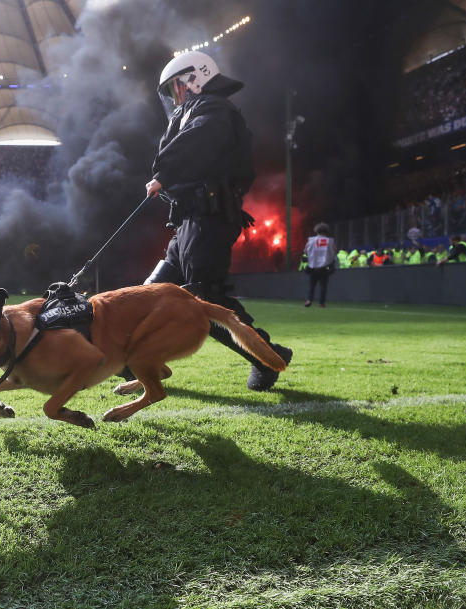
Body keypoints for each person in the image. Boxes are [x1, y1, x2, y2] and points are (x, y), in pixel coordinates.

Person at [141, 50, 292, 391]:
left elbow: (198, 140)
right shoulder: (204, 110)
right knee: (148, 295)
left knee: (204, 299)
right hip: (192, 221)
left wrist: (165, 172)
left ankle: (267, 358)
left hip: (208, 218)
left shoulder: (214, 110)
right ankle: (134, 360)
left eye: (176, 88)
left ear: (195, 78)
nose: (174, 98)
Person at [303, 222, 336, 308]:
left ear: (316, 230)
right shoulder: (330, 241)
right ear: (326, 231)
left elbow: (305, 251)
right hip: (324, 267)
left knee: (312, 285)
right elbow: (334, 251)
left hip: (313, 266)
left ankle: (309, 300)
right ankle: (321, 303)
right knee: (323, 286)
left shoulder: (311, 240)